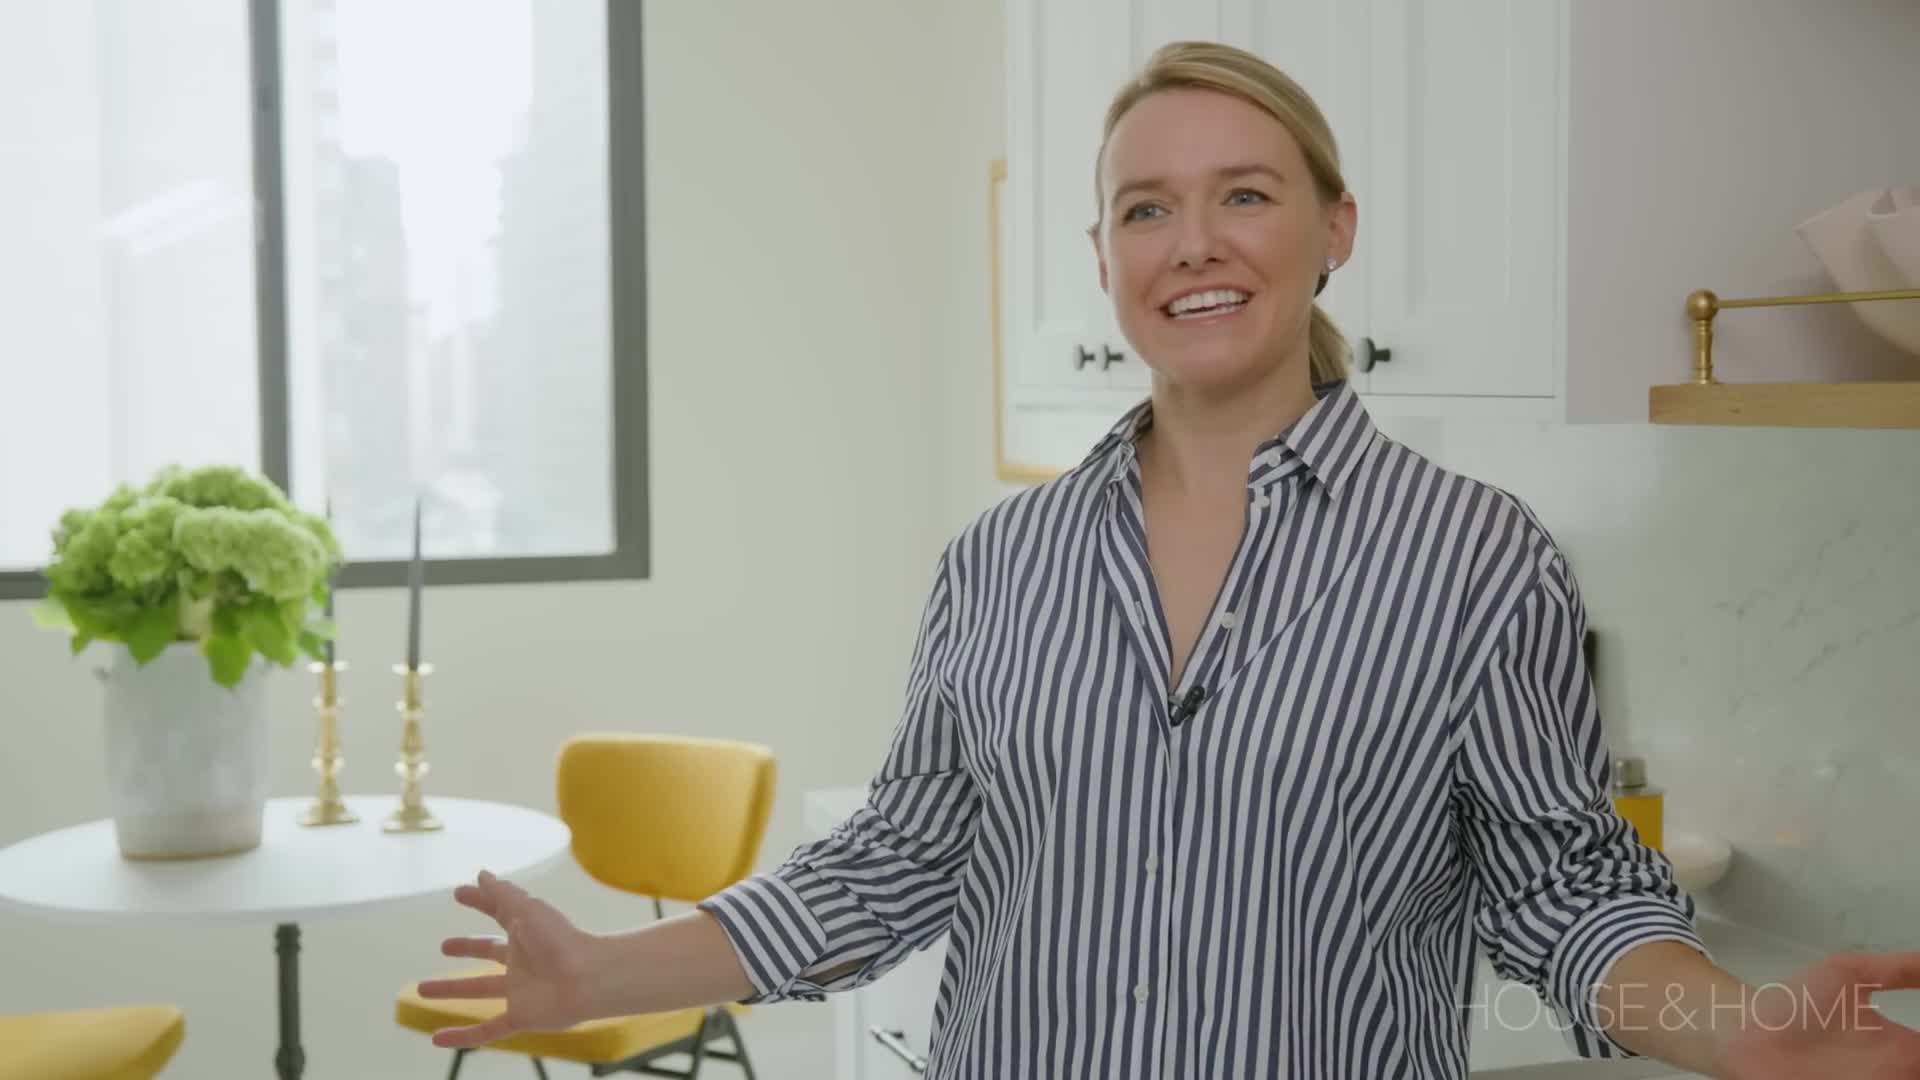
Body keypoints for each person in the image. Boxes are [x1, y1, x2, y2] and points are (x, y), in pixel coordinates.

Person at [417, 41, 1920, 1078]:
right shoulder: (997, 565)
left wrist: (1745, 1026)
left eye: (1244, 195)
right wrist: (596, 976)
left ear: (1333, 228)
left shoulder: (1475, 561)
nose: (1193, 242)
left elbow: (1564, 892)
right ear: (1107, 263)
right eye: (1149, 209)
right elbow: (889, 863)